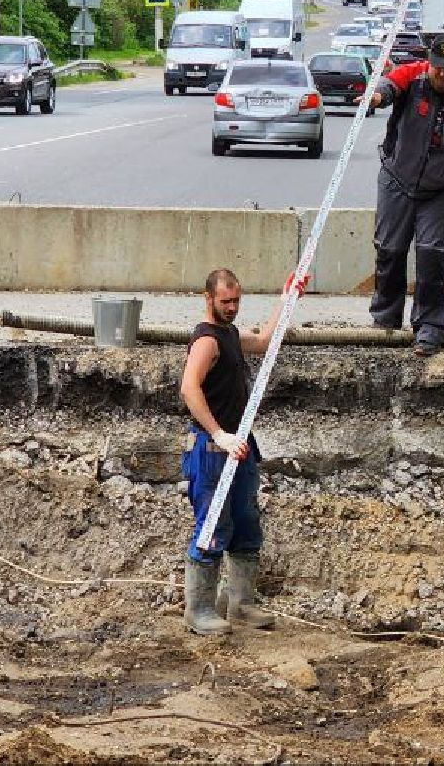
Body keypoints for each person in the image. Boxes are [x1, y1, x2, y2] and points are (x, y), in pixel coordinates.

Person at [178, 267, 305, 635]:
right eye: (226, 302)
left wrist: (286, 298)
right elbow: (189, 388)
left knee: (246, 525)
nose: (232, 308)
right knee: (213, 525)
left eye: (236, 301)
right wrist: (218, 435)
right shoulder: (206, 341)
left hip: (240, 446)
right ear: (208, 299)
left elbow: (265, 341)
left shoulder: (229, 334)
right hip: (213, 449)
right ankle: (199, 608)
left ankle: (241, 603)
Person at [364, 35, 444, 357]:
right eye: (437, 68)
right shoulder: (413, 77)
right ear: (430, 62)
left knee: (431, 253)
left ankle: (430, 328)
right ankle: (385, 318)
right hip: (397, 180)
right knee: (390, 249)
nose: (441, 75)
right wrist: (376, 97)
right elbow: (389, 85)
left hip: (440, 190)